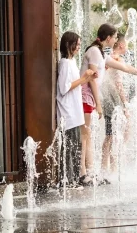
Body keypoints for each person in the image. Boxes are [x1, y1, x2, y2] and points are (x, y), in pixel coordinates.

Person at [79, 23, 137, 185]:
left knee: (87, 135)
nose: (115, 40)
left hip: (90, 98)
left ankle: (89, 173)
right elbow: (91, 78)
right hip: (86, 97)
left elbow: (125, 67)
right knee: (85, 135)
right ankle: (84, 173)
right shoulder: (94, 52)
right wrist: (98, 104)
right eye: (114, 37)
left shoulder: (100, 53)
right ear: (108, 38)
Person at [56, 31, 97, 188]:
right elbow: (64, 88)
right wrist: (84, 78)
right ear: (68, 45)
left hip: (74, 111)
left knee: (75, 146)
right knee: (69, 147)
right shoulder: (65, 63)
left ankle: (72, 179)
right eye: (77, 44)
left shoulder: (71, 62)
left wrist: (86, 78)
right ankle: (65, 181)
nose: (79, 47)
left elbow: (75, 83)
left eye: (80, 44)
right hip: (68, 112)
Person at [101, 33, 131, 176]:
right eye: (127, 45)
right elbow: (118, 84)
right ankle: (109, 168)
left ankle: (108, 166)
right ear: (121, 45)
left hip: (108, 99)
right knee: (112, 135)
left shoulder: (111, 57)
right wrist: (125, 104)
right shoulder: (116, 59)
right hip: (113, 100)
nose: (128, 47)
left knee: (112, 134)